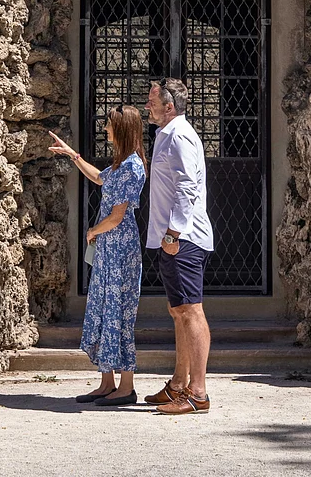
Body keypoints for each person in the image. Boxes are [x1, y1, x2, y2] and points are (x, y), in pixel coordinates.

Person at [49, 106, 147, 404]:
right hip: (109, 248)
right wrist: (72, 154)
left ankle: (126, 387)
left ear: (122, 129)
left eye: (109, 126)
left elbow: (117, 216)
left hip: (119, 247)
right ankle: (107, 382)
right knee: (106, 308)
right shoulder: (120, 165)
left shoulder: (132, 166)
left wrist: (93, 230)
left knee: (119, 310)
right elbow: (99, 178)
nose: (105, 130)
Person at [144, 78, 213, 416]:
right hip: (171, 238)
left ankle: (197, 393)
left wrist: (173, 233)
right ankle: (178, 385)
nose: (147, 106)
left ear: (168, 106)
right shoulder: (167, 135)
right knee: (178, 312)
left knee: (191, 311)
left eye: (151, 100)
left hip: (182, 239)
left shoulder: (180, 135)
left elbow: (187, 186)